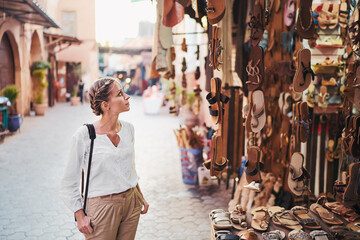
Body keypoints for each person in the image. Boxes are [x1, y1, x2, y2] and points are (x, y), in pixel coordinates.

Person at [59, 77, 149, 240]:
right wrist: (79, 215)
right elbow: (68, 182)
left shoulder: (128, 129)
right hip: (101, 207)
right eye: (120, 93)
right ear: (105, 105)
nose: (127, 96)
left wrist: (139, 195)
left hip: (131, 201)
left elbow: (130, 168)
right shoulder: (84, 135)